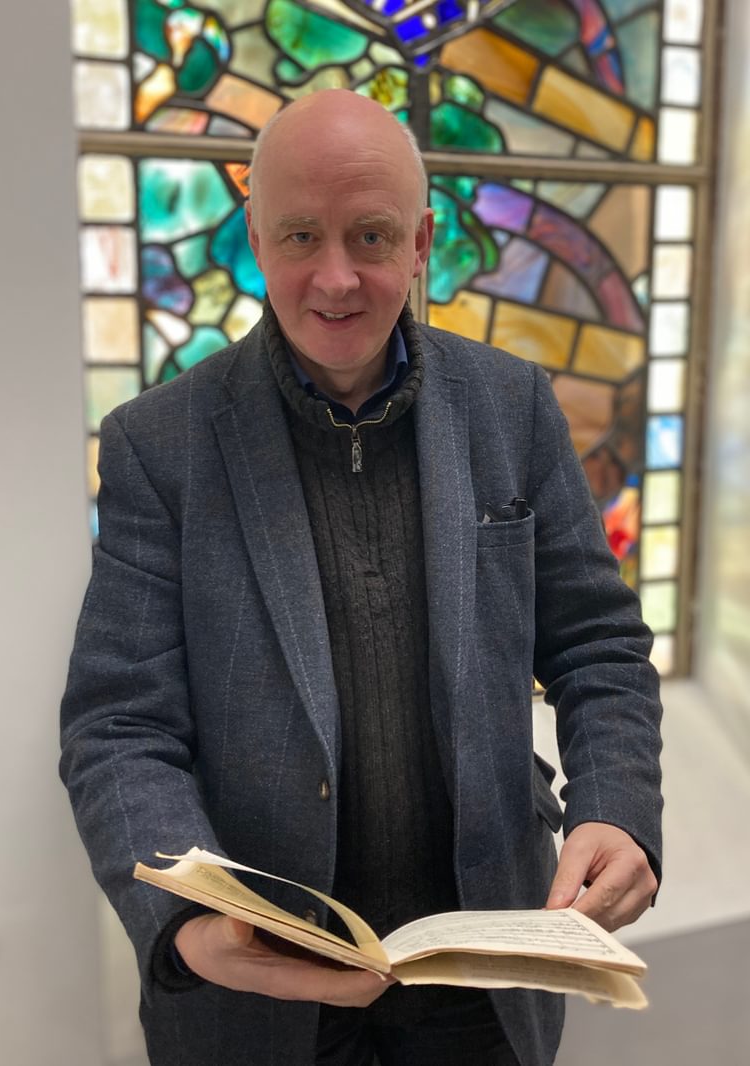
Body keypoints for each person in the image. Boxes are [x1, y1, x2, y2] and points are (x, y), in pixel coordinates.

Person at [60, 89, 662, 1066]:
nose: (334, 278)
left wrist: (616, 807)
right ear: (254, 235)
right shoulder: (156, 446)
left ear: (421, 241)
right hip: (257, 999)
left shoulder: (513, 409)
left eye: (371, 236)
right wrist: (181, 919)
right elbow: (117, 723)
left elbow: (597, 645)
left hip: (482, 978)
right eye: (300, 235)